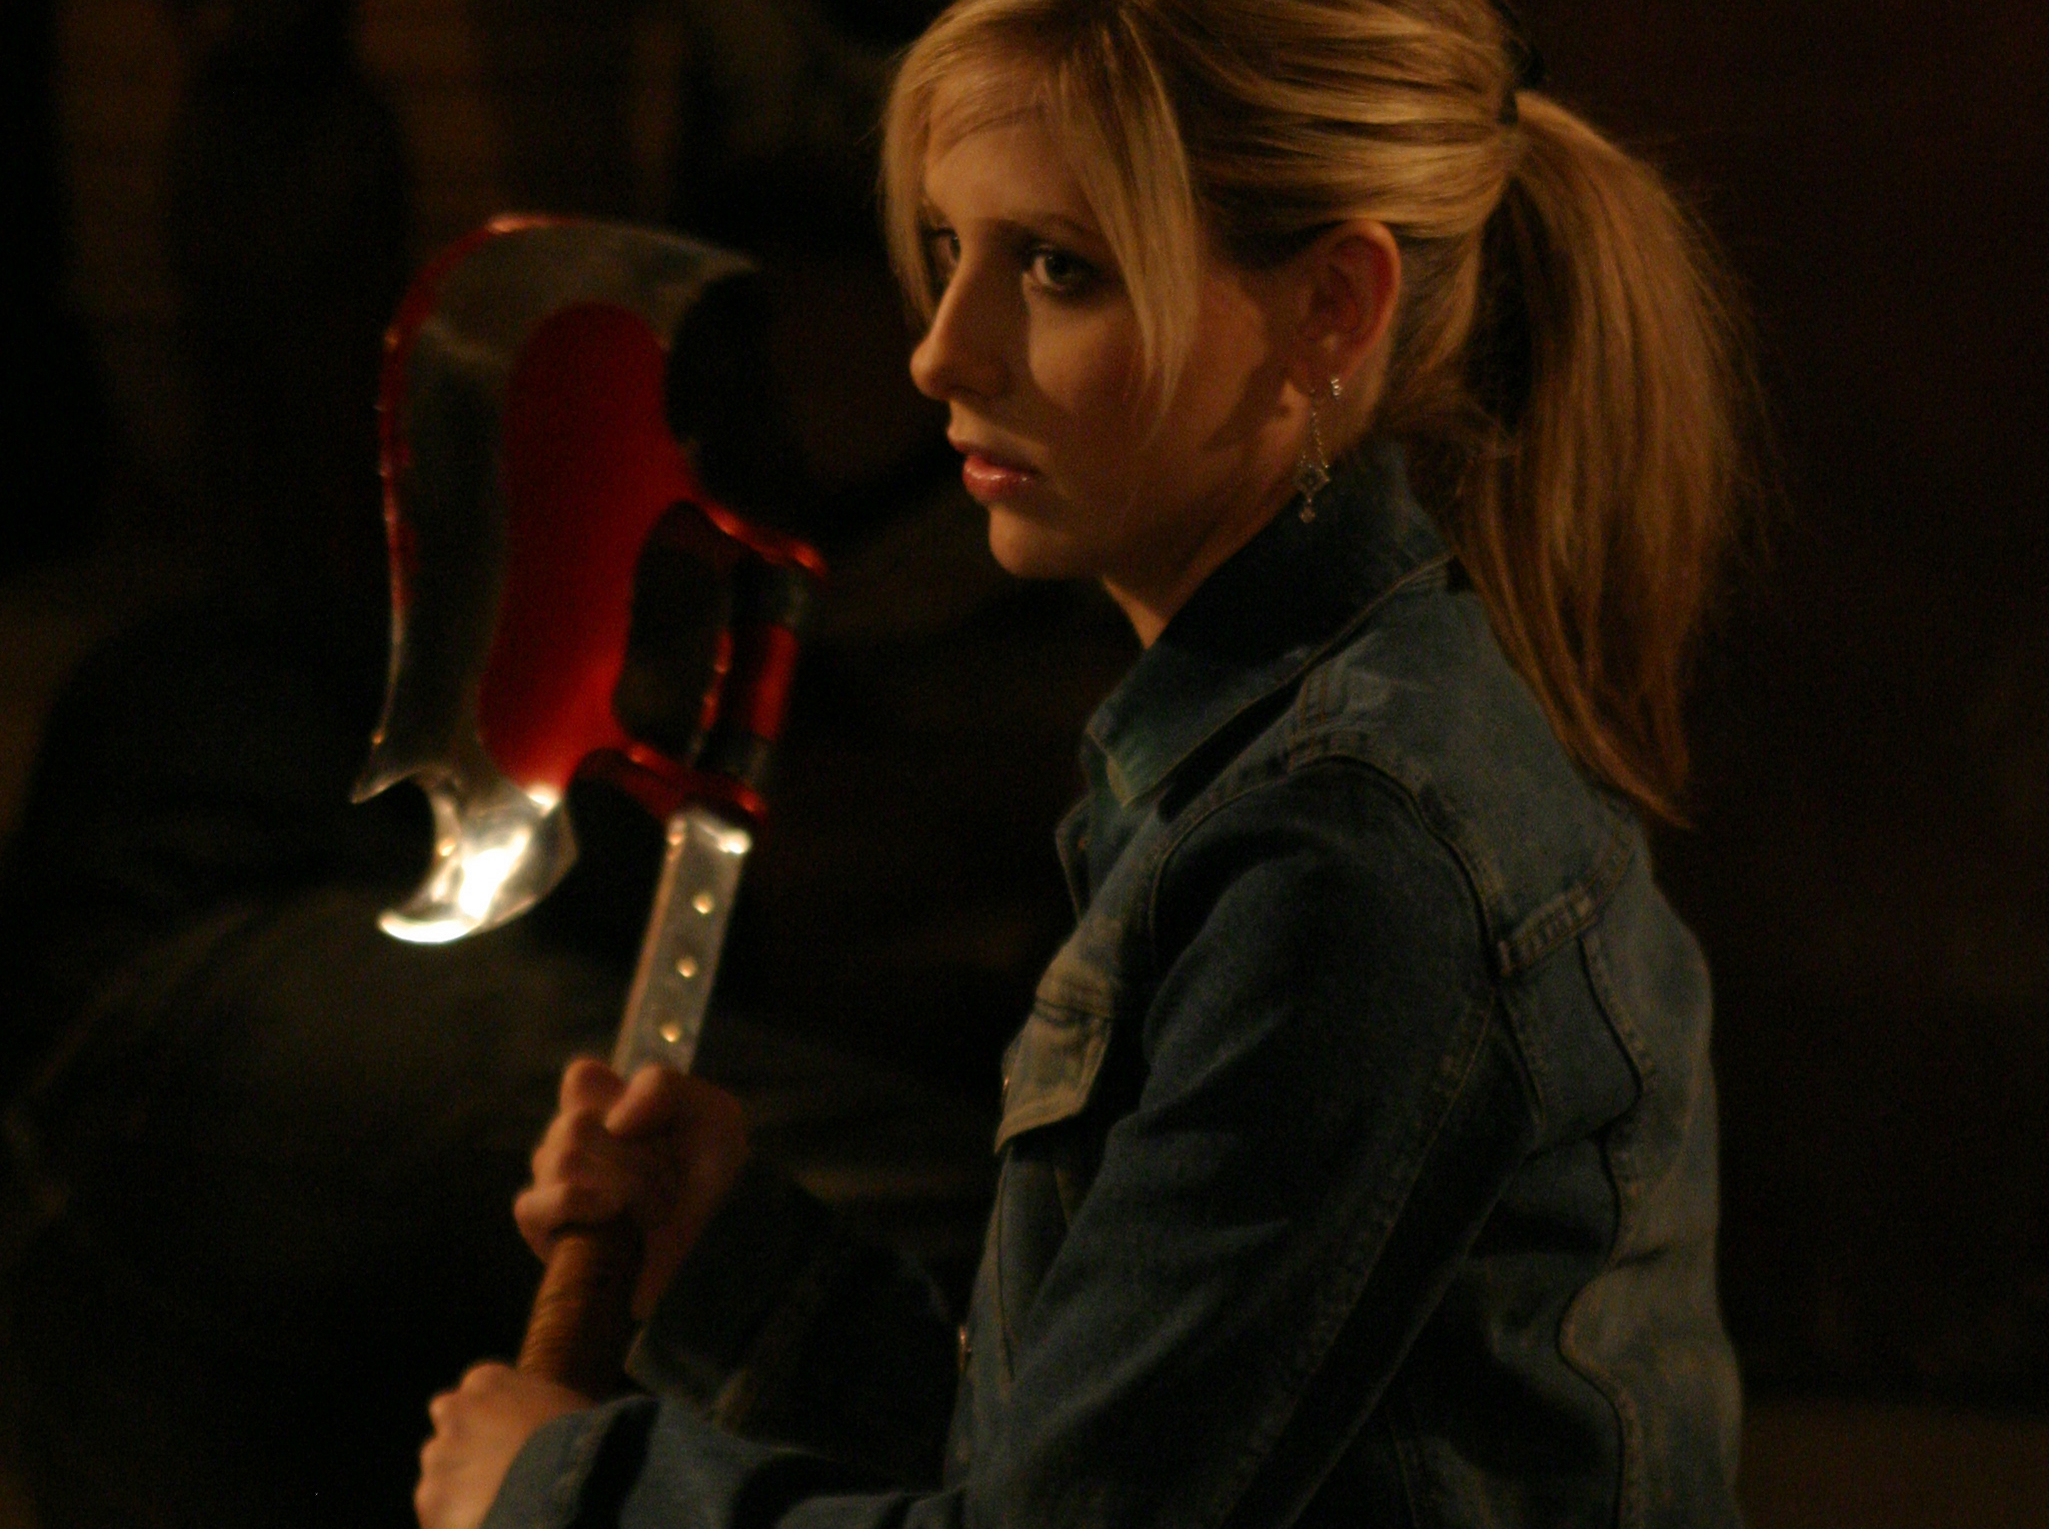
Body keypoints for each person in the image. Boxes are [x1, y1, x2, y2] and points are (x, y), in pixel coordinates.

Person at [416, 0, 1753, 1524]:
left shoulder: (1348, 851)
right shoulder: (1252, 768)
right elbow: (1095, 1454)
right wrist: (732, 1261)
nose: (940, 350)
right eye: (947, 247)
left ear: (1329, 308)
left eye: (1057, 266)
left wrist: (566, 1489)